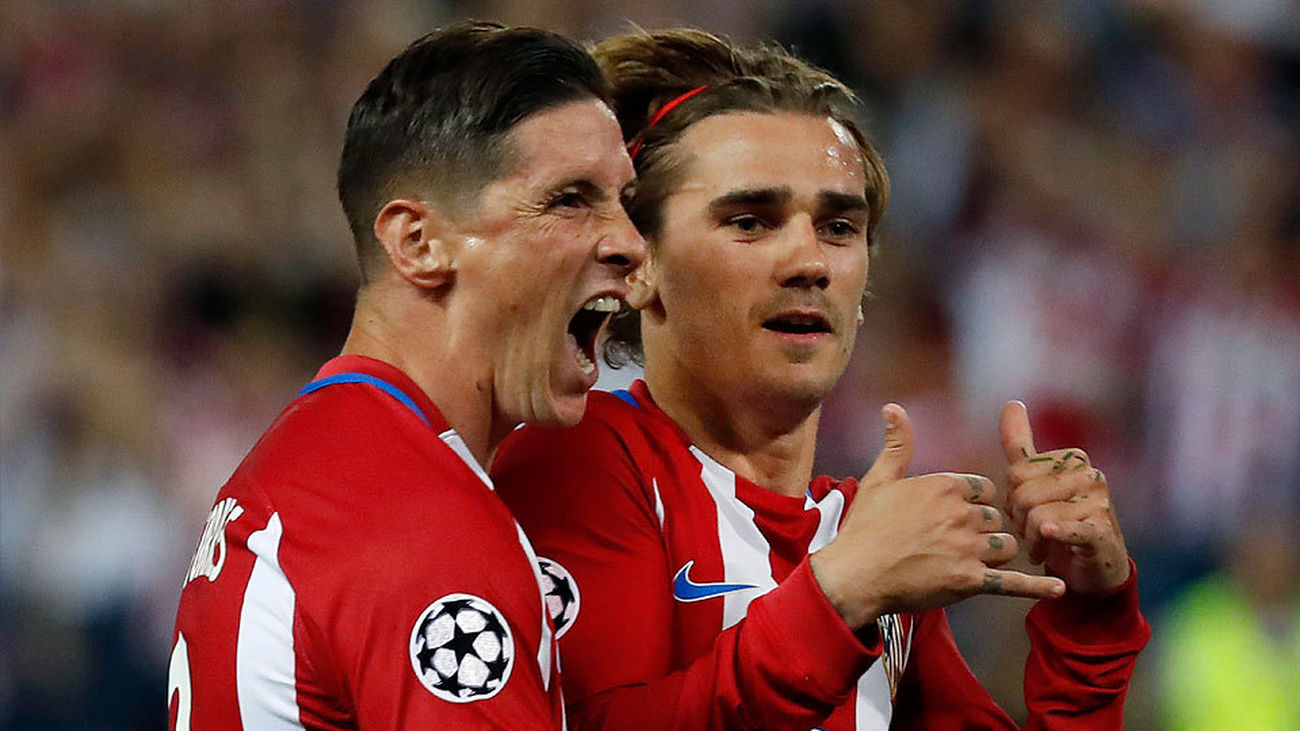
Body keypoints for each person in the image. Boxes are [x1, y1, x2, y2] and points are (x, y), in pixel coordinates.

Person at [492, 28, 1149, 729]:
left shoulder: (865, 533)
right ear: (639, 262)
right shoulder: (582, 457)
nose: (811, 260)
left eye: (839, 226)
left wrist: (1090, 620)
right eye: (750, 220)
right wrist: (841, 594)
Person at [168, 22, 644, 729]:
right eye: (570, 200)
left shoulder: (324, 463)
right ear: (418, 243)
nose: (631, 243)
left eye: (625, 201)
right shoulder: (417, 526)